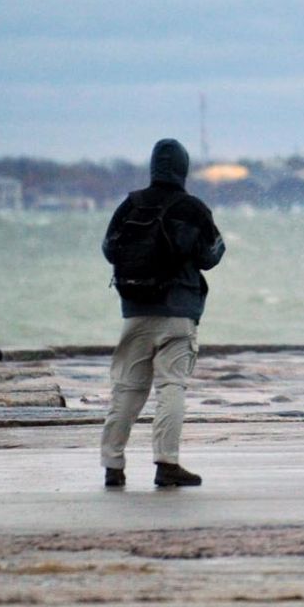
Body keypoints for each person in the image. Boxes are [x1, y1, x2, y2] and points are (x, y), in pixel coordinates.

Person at [99, 138, 225, 488]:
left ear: (153, 166)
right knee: (172, 386)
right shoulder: (193, 208)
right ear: (183, 169)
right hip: (178, 313)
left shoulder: (130, 205)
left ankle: (112, 465)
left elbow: (110, 250)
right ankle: (166, 463)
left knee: (127, 388)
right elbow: (209, 257)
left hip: (135, 311)